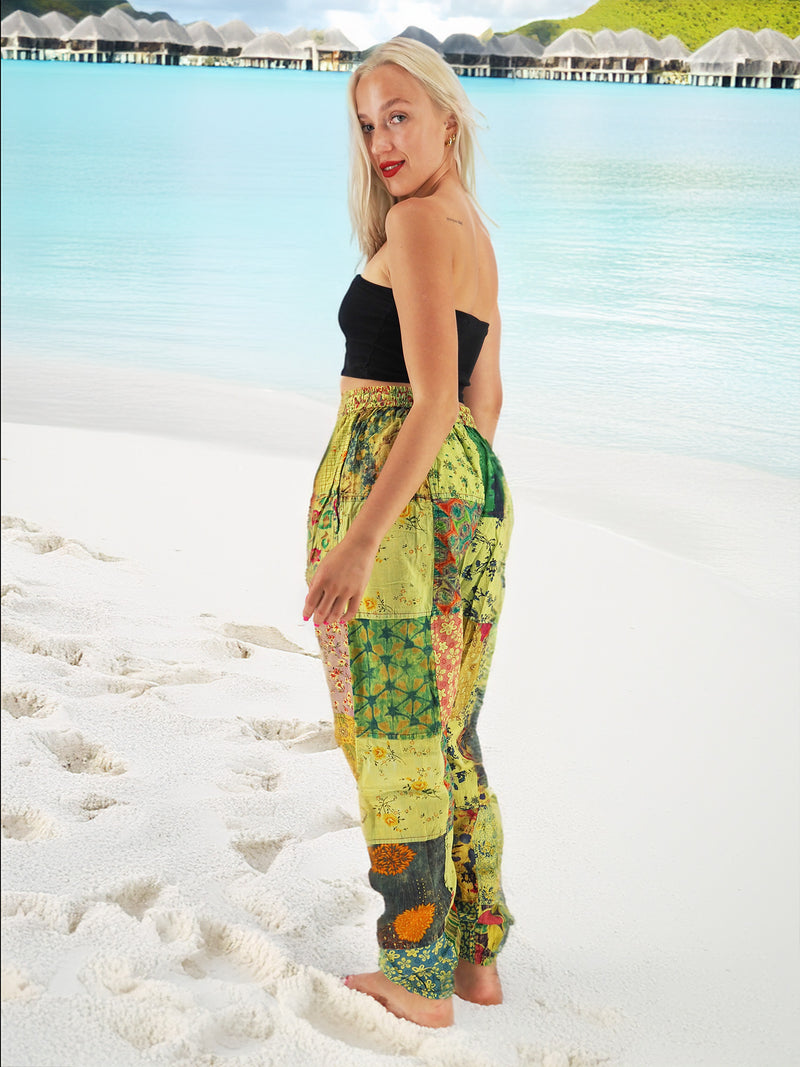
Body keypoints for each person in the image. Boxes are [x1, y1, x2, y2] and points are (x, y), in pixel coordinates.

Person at [303, 37, 513, 1029]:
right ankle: (475, 957)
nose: (381, 140)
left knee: (393, 730)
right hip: (464, 495)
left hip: (401, 501)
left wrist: (360, 540)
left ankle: (416, 972)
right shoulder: (469, 223)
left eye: (397, 115)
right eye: (365, 123)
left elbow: (430, 403)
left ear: (445, 116)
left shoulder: (422, 222)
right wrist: (458, 510)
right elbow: (483, 399)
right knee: (448, 727)